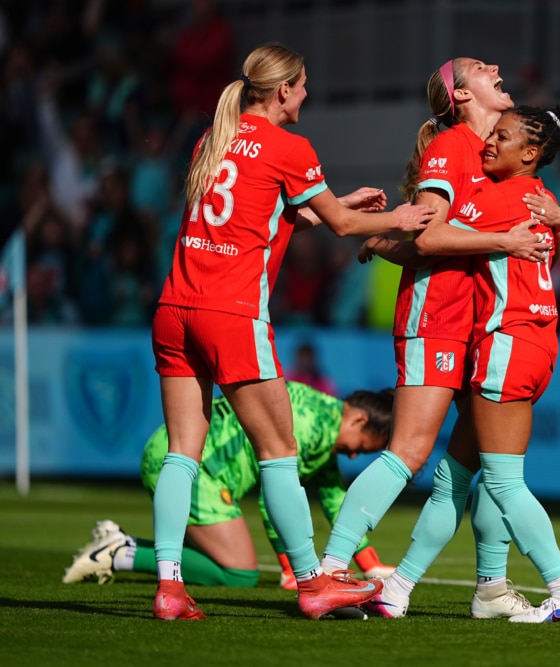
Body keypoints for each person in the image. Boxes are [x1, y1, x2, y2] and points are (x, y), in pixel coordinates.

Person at [150, 42, 434, 621]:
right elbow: (345, 225)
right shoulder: (290, 147)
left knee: (183, 452)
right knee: (279, 452)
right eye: (303, 85)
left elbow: (261, 216)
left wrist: (331, 205)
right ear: (284, 90)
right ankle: (312, 582)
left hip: (174, 308)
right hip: (230, 315)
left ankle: (169, 586)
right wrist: (397, 218)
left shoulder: (214, 137)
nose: (307, 94)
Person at [319, 57, 560, 620]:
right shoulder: (454, 146)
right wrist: (499, 241)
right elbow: (429, 237)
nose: (496, 67)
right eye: (480, 67)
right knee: (408, 451)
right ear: (459, 94)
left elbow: (511, 244)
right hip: (438, 319)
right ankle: (330, 571)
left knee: (476, 474)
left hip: (480, 333)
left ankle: (486, 586)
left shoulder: (495, 159)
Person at [379, 103, 560, 624]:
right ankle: (398, 589)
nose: (489, 144)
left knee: (502, 483)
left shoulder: (500, 196)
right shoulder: (545, 201)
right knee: (454, 477)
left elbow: (430, 240)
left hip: (507, 342)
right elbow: (551, 253)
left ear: (532, 152)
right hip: (537, 341)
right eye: (491, 134)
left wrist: (377, 239)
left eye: (503, 137)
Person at [62, 382, 395, 590]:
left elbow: (335, 497)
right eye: (361, 447)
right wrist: (290, 568)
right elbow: (273, 497)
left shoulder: (322, 420)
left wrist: (370, 565)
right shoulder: (311, 427)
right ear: (358, 420)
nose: (353, 456)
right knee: (238, 573)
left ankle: (120, 545)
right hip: (198, 467)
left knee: (229, 563)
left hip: (178, 453)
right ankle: (121, 552)